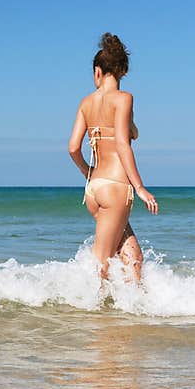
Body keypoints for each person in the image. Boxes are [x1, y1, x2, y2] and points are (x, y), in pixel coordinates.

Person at [68, 33, 158, 282]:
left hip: (94, 188)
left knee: (133, 258)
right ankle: (84, 312)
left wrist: (88, 172)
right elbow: (122, 143)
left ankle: (129, 311)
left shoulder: (86, 103)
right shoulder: (124, 99)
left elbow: (73, 147)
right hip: (117, 187)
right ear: (123, 71)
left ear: (98, 72)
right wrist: (139, 187)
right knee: (100, 264)